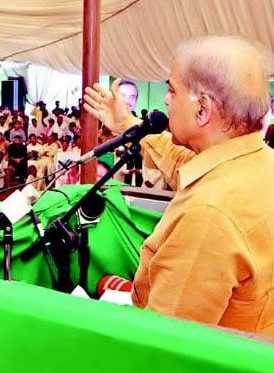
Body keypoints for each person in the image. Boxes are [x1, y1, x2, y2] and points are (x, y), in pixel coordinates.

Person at [83, 35, 274, 337]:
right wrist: (126, 125)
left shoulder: (209, 214)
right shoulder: (258, 163)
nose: (166, 100)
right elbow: (182, 161)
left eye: (172, 90)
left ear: (203, 109)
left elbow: (163, 346)